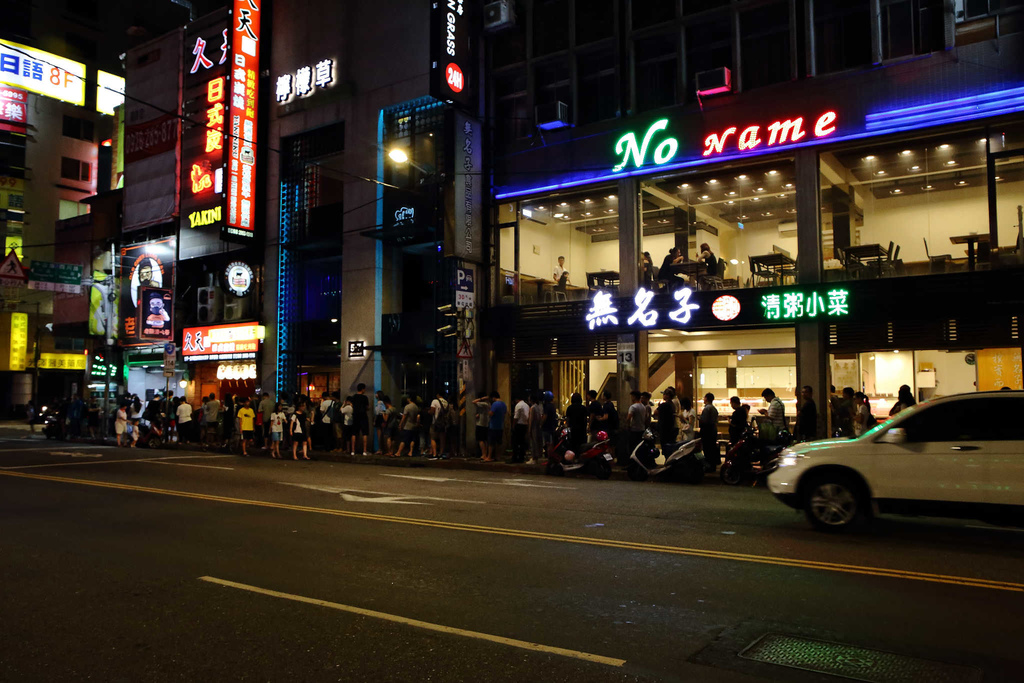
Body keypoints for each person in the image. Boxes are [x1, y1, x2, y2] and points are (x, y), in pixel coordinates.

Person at [699, 393, 720, 469]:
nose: (703, 399)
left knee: (707, 449)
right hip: (713, 430)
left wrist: (700, 419)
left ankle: (709, 466)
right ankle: (712, 465)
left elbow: (705, 421)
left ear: (706, 398)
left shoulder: (707, 409)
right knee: (712, 448)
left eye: (704, 397)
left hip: (707, 432)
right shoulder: (714, 408)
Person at [430, 391, 452, 459]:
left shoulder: (435, 401)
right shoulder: (446, 402)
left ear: (438, 394)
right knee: (442, 439)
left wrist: (429, 412)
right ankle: (441, 453)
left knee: (433, 438)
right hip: (443, 423)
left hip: (436, 422)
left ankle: (434, 454)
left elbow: (432, 411)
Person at [350, 383, 371, 456]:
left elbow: (351, 405)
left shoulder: (353, 397)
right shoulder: (365, 397)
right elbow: (367, 407)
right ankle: (364, 451)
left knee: (354, 433)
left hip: (355, 416)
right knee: (365, 433)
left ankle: (353, 451)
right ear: (362, 389)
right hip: (363, 416)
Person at [487, 391, 507, 461]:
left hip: (493, 425)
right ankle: (498, 456)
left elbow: (491, 413)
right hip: (500, 425)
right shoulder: (504, 404)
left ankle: (489, 457)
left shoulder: (495, 404)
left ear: (493, 398)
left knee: (491, 443)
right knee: (499, 442)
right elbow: (505, 413)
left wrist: (488, 412)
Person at [625, 391, 647, 455]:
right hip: (642, 430)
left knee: (632, 448)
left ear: (634, 397)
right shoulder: (643, 407)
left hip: (634, 430)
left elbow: (629, 418)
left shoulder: (633, 407)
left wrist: (628, 426)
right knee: (639, 447)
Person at [511, 393, 530, 463]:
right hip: (525, 425)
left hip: (519, 425)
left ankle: (515, 457)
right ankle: (521, 457)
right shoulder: (526, 405)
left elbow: (516, 417)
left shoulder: (518, 405)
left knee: (515, 442)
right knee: (522, 442)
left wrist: (513, 426)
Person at [472, 392, 491, 460]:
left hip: (481, 424)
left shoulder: (483, 403)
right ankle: (485, 454)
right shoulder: (488, 404)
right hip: (486, 424)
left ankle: (483, 454)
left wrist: (481, 398)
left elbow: (473, 402)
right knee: (485, 440)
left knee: (480, 440)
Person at [527, 391, 544, 465]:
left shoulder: (532, 408)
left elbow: (531, 419)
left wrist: (529, 429)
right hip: (538, 427)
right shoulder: (538, 407)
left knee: (533, 443)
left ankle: (534, 458)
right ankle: (536, 457)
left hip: (534, 427)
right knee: (537, 442)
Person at [374, 390, 387, 455]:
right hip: (382, 418)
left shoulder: (379, 403)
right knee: (383, 434)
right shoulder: (383, 403)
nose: (375, 395)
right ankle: (384, 449)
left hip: (379, 418)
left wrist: (374, 420)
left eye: (376, 394)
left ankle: (380, 449)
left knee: (379, 435)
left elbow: (377, 412)